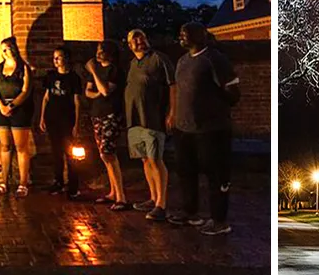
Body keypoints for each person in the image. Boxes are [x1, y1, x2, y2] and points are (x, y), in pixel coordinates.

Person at [169, 22, 242, 236]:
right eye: (180, 33)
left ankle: (219, 220)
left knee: (216, 175)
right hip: (184, 129)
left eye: (186, 33)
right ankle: (190, 212)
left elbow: (233, 93)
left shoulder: (214, 59)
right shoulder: (182, 61)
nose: (181, 36)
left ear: (200, 36)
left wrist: (210, 103)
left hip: (211, 129)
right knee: (185, 171)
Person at [125, 29, 175, 220]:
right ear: (129, 45)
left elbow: (173, 85)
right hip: (135, 118)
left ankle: (161, 204)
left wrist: (172, 112)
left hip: (152, 117)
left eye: (141, 37)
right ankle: (153, 198)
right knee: (145, 159)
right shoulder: (132, 63)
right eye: (134, 39)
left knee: (156, 159)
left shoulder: (159, 59)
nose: (139, 41)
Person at [85, 39, 129, 211]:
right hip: (97, 114)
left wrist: (94, 72)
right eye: (97, 50)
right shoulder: (95, 70)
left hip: (111, 114)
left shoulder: (115, 71)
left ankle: (121, 197)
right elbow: (89, 92)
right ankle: (113, 192)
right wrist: (97, 94)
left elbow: (105, 90)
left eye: (102, 50)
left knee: (108, 152)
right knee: (104, 155)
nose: (98, 53)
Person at [0, 36, 36, 197]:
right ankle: (4, 182)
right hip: (1, 109)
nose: (6, 52)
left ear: (14, 48)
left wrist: (12, 105)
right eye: (3, 50)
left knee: (21, 147)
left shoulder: (24, 68)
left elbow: (26, 90)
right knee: (5, 146)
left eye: (8, 48)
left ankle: (23, 183)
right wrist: (2, 106)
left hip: (19, 109)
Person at [39, 47, 83, 199]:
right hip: (53, 118)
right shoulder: (51, 76)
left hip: (67, 119)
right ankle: (58, 181)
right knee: (56, 152)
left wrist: (77, 124)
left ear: (66, 58)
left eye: (59, 57)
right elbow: (46, 97)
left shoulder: (73, 78)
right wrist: (42, 117)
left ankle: (73, 185)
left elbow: (77, 102)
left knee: (70, 152)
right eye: (54, 57)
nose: (56, 60)